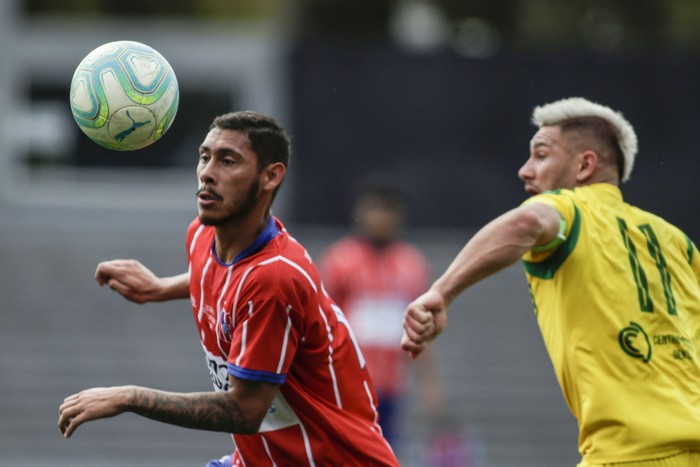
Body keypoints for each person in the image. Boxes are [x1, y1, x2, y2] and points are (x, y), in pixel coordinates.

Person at [58, 111, 400, 466]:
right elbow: (225, 280)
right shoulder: (203, 235)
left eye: (228, 161)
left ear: (271, 176)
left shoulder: (275, 280)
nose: (207, 172)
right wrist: (161, 287)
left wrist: (130, 397)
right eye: (204, 157)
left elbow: (246, 410)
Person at [401, 97, 700, 467]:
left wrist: (441, 292)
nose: (525, 171)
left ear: (584, 165)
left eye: (540, 155)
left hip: (629, 454)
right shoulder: (677, 242)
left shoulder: (570, 209)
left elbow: (524, 224)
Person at [319, 185, 444, 450]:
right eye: (374, 209)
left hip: (390, 386)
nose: (380, 218)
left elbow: (421, 328)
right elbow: (321, 322)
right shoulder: (341, 260)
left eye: (387, 211)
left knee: (384, 451)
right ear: (360, 213)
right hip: (347, 384)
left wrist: (429, 383)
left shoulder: (412, 264)